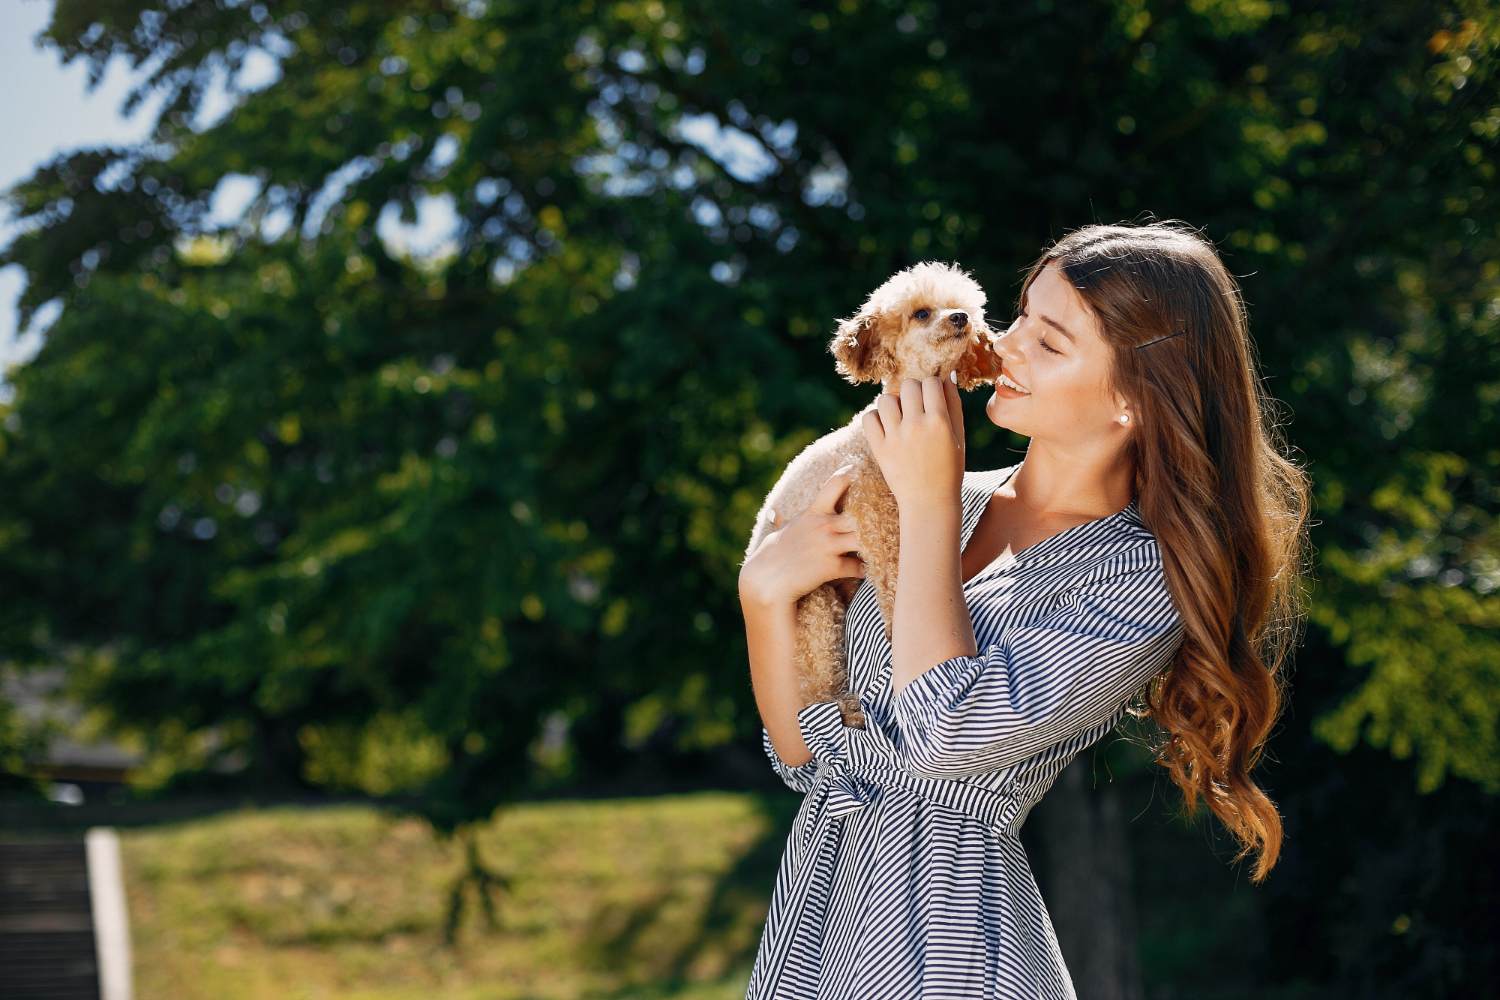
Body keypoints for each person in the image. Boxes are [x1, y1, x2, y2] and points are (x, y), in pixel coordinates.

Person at [737, 221, 1311, 999]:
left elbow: (943, 739)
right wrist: (762, 598)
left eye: (1051, 341)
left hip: (947, 946)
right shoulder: (937, 496)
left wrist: (929, 501)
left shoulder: (1139, 580)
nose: (1003, 347)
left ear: (1135, 400)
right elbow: (809, 758)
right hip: (814, 927)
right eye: (1018, 319)